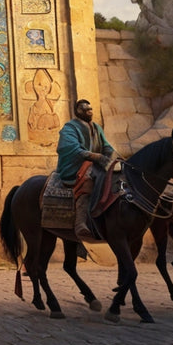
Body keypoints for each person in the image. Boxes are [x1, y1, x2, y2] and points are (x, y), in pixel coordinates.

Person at [56, 99, 113, 240]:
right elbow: (70, 148)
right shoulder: (69, 127)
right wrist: (93, 156)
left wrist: (108, 153)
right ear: (78, 111)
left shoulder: (96, 127)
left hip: (95, 163)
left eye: (90, 109)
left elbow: (106, 145)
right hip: (75, 166)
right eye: (86, 110)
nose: (90, 112)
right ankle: (80, 222)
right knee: (88, 179)